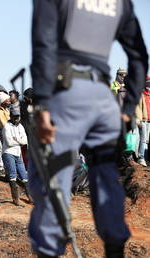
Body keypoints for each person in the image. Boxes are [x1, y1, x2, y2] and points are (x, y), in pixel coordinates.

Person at [30, 1, 148, 257]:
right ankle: (115, 247)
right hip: (102, 98)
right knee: (106, 175)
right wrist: (127, 110)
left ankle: (49, 249)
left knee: (53, 178)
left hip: (65, 92)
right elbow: (139, 57)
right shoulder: (120, 4)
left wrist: (41, 105)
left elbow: (43, 45)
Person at [1, 108, 29, 206]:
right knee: (12, 176)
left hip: (18, 153)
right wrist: (19, 141)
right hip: (8, 153)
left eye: (18, 116)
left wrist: (16, 140)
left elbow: (25, 141)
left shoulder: (20, 126)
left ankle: (31, 197)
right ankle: (16, 199)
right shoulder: (6, 127)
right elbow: (9, 143)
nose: (17, 118)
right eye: (15, 116)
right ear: (11, 116)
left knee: (24, 175)